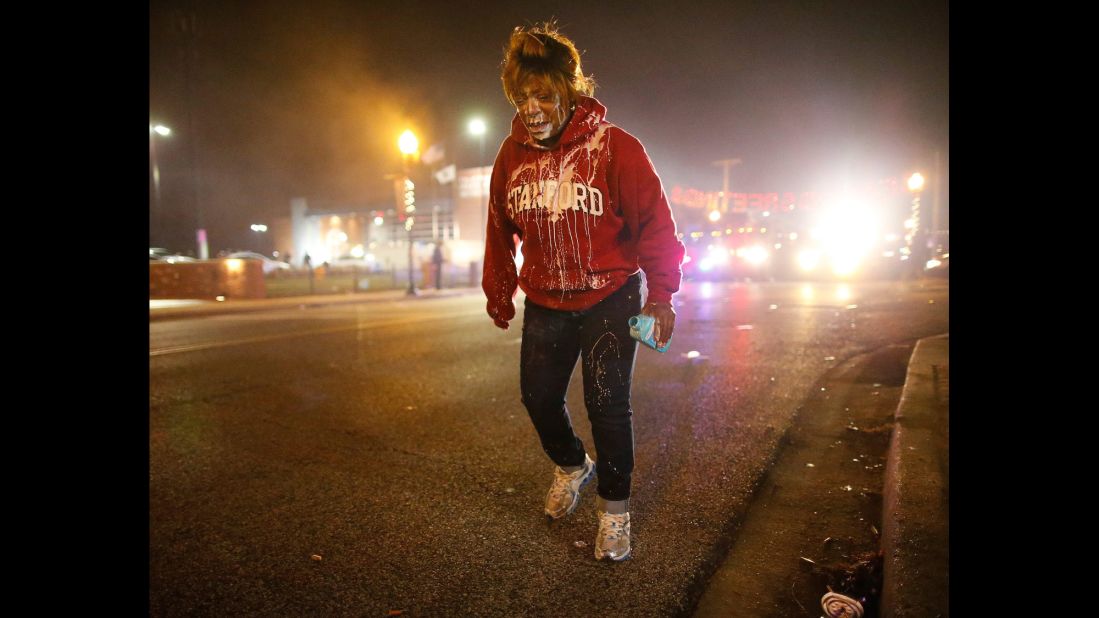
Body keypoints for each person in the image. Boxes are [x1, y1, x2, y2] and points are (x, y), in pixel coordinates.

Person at [482, 22, 685, 562]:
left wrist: (661, 296)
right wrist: (499, 288)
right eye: (521, 96)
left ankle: (614, 512)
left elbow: (656, 229)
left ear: (568, 91)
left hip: (610, 298)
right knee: (538, 397)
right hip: (547, 300)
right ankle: (574, 465)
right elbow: (498, 227)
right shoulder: (511, 155)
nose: (532, 107)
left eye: (543, 94)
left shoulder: (616, 149)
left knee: (607, 405)